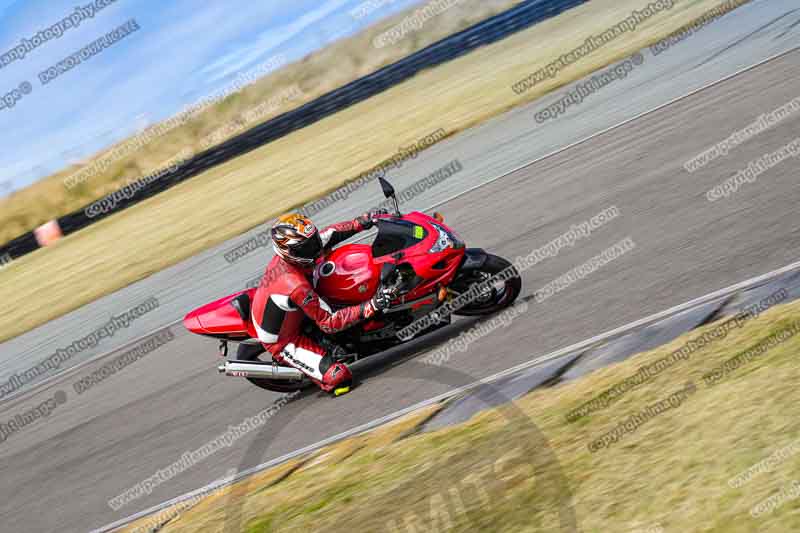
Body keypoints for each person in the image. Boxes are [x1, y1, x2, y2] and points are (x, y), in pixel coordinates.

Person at [247, 210, 391, 395]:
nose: (315, 249)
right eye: (306, 248)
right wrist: (372, 306)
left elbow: (331, 233)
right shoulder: (294, 284)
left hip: (299, 306)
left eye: (313, 240)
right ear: (288, 252)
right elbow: (329, 323)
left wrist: (363, 221)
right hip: (284, 339)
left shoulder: (304, 246)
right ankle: (320, 373)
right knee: (339, 377)